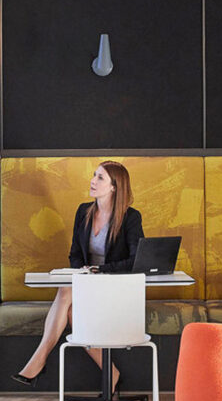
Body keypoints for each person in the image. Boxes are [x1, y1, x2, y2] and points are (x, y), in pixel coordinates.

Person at [11, 161, 144, 388]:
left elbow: (135, 261)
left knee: (67, 293)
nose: (93, 181)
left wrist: (98, 271)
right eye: (94, 175)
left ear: (114, 187)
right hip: (86, 284)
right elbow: (75, 253)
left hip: (115, 287)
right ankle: (111, 374)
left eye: (100, 178)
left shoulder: (131, 217)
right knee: (70, 306)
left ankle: (39, 360)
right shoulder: (84, 211)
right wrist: (82, 272)